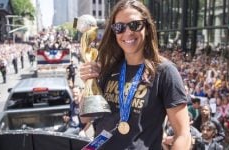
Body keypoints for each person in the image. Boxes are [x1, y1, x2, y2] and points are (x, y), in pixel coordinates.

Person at [79, 0, 191, 149]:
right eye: (119, 27)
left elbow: (183, 134)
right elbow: (86, 117)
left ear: (147, 27)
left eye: (134, 25)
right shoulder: (108, 68)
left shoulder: (165, 72)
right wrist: (89, 83)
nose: (127, 32)